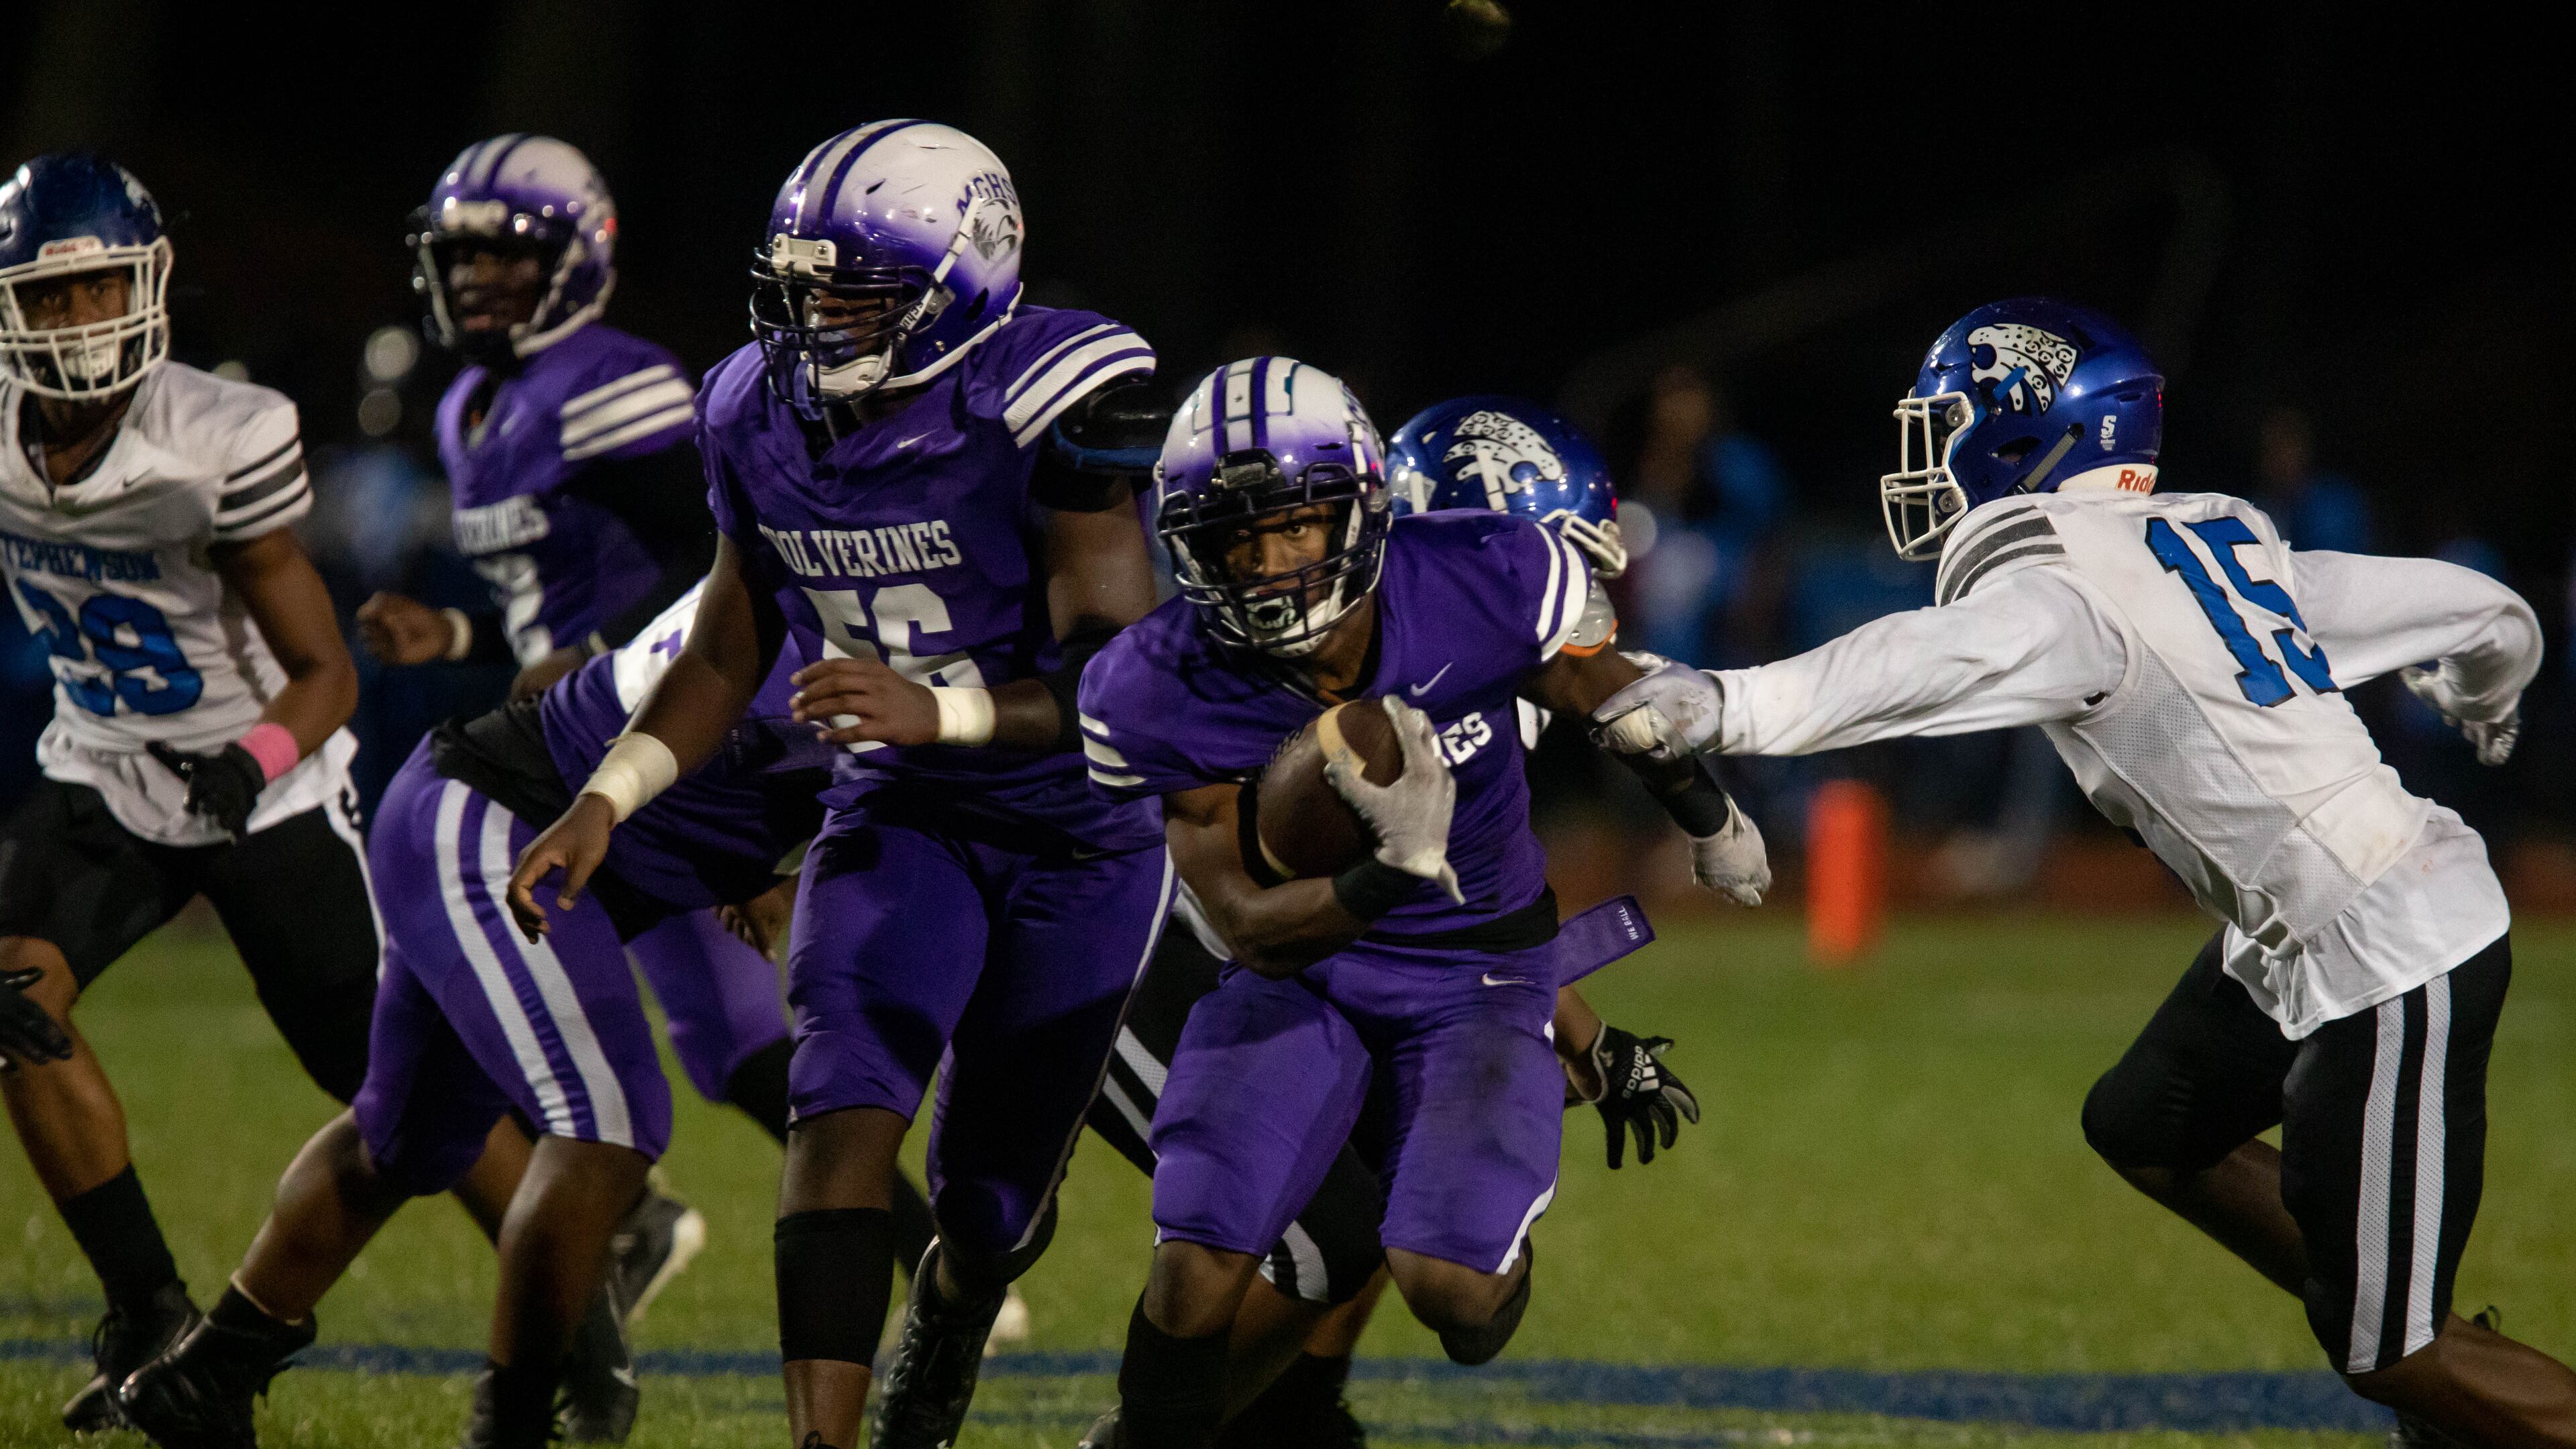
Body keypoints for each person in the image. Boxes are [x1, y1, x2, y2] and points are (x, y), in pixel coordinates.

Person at [1683, 297, 2571, 1446]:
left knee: (2391, 1357)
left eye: (1948, 423)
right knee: (2147, 1124)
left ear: (2031, 434)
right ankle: (2400, 1303)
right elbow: (2483, 608)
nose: (1927, 456)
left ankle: (2426, 1345)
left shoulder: (2064, 588)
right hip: (2318, 914)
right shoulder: (2215, 535)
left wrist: (1727, 703)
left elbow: (1923, 659)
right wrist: (2489, 692)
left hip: (2392, 940)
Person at [504, 119, 1175, 1449]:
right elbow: (726, 641)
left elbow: (1121, 677)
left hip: (1076, 834)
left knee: (987, 1210)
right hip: (899, 811)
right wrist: (608, 798)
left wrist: (942, 709)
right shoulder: (756, 407)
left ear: (969, 278)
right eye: (805, 287)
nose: (821, 319)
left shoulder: (1048, 397)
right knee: (839, 1110)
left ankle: (956, 1311)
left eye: (858, 291)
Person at [1074, 357, 1768, 1449]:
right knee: (1200, 1260)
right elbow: (1250, 927)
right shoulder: (1154, 683)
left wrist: (1706, 815)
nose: (1266, 565)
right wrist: (1381, 875)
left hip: (1471, 983)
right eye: (1235, 537)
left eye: (1295, 527)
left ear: (1364, 511)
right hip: (1294, 968)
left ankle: (1343, 1370)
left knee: (1448, 1288)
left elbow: (1602, 707)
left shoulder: (1477, 584)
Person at [114, 583, 823, 1449]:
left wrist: (762, 858)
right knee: (610, 1123)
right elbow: (647, 685)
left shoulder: (860, 599)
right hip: (495, 825)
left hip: (500, 837)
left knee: (402, 1139)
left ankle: (205, 1376)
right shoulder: (821, 601)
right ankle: (511, 1430)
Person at [0, 152, 391, 1432]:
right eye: (50, 300)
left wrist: (254, 762)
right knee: (11, 993)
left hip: (257, 779)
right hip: (105, 766)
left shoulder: (214, 437)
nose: (78, 322)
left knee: (391, 1083)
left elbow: (326, 669)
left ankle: (577, 1277)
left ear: (151, 281)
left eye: (100, 288)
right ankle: (151, 1310)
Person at [354, 135, 711, 704]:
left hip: (661, 701)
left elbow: (727, 551)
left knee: (431, 790)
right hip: (574, 704)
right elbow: (548, 618)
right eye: (462, 255)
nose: (475, 278)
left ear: (574, 261)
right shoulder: (462, 406)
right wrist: (455, 633)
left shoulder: (607, 377)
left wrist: (597, 653)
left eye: (508, 257)